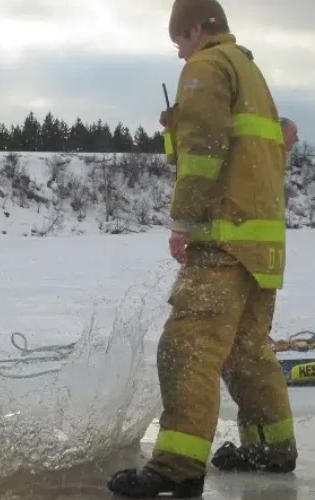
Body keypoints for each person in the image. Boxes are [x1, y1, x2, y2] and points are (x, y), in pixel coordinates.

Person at [108, 0, 296, 497]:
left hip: (224, 239)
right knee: (246, 351)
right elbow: (264, 143)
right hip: (262, 246)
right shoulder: (248, 69)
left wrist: (184, 222)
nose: (180, 54)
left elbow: (204, 149)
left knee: (187, 345)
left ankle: (178, 466)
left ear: (196, 28)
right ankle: (271, 447)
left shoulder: (207, 66)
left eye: (179, 42)